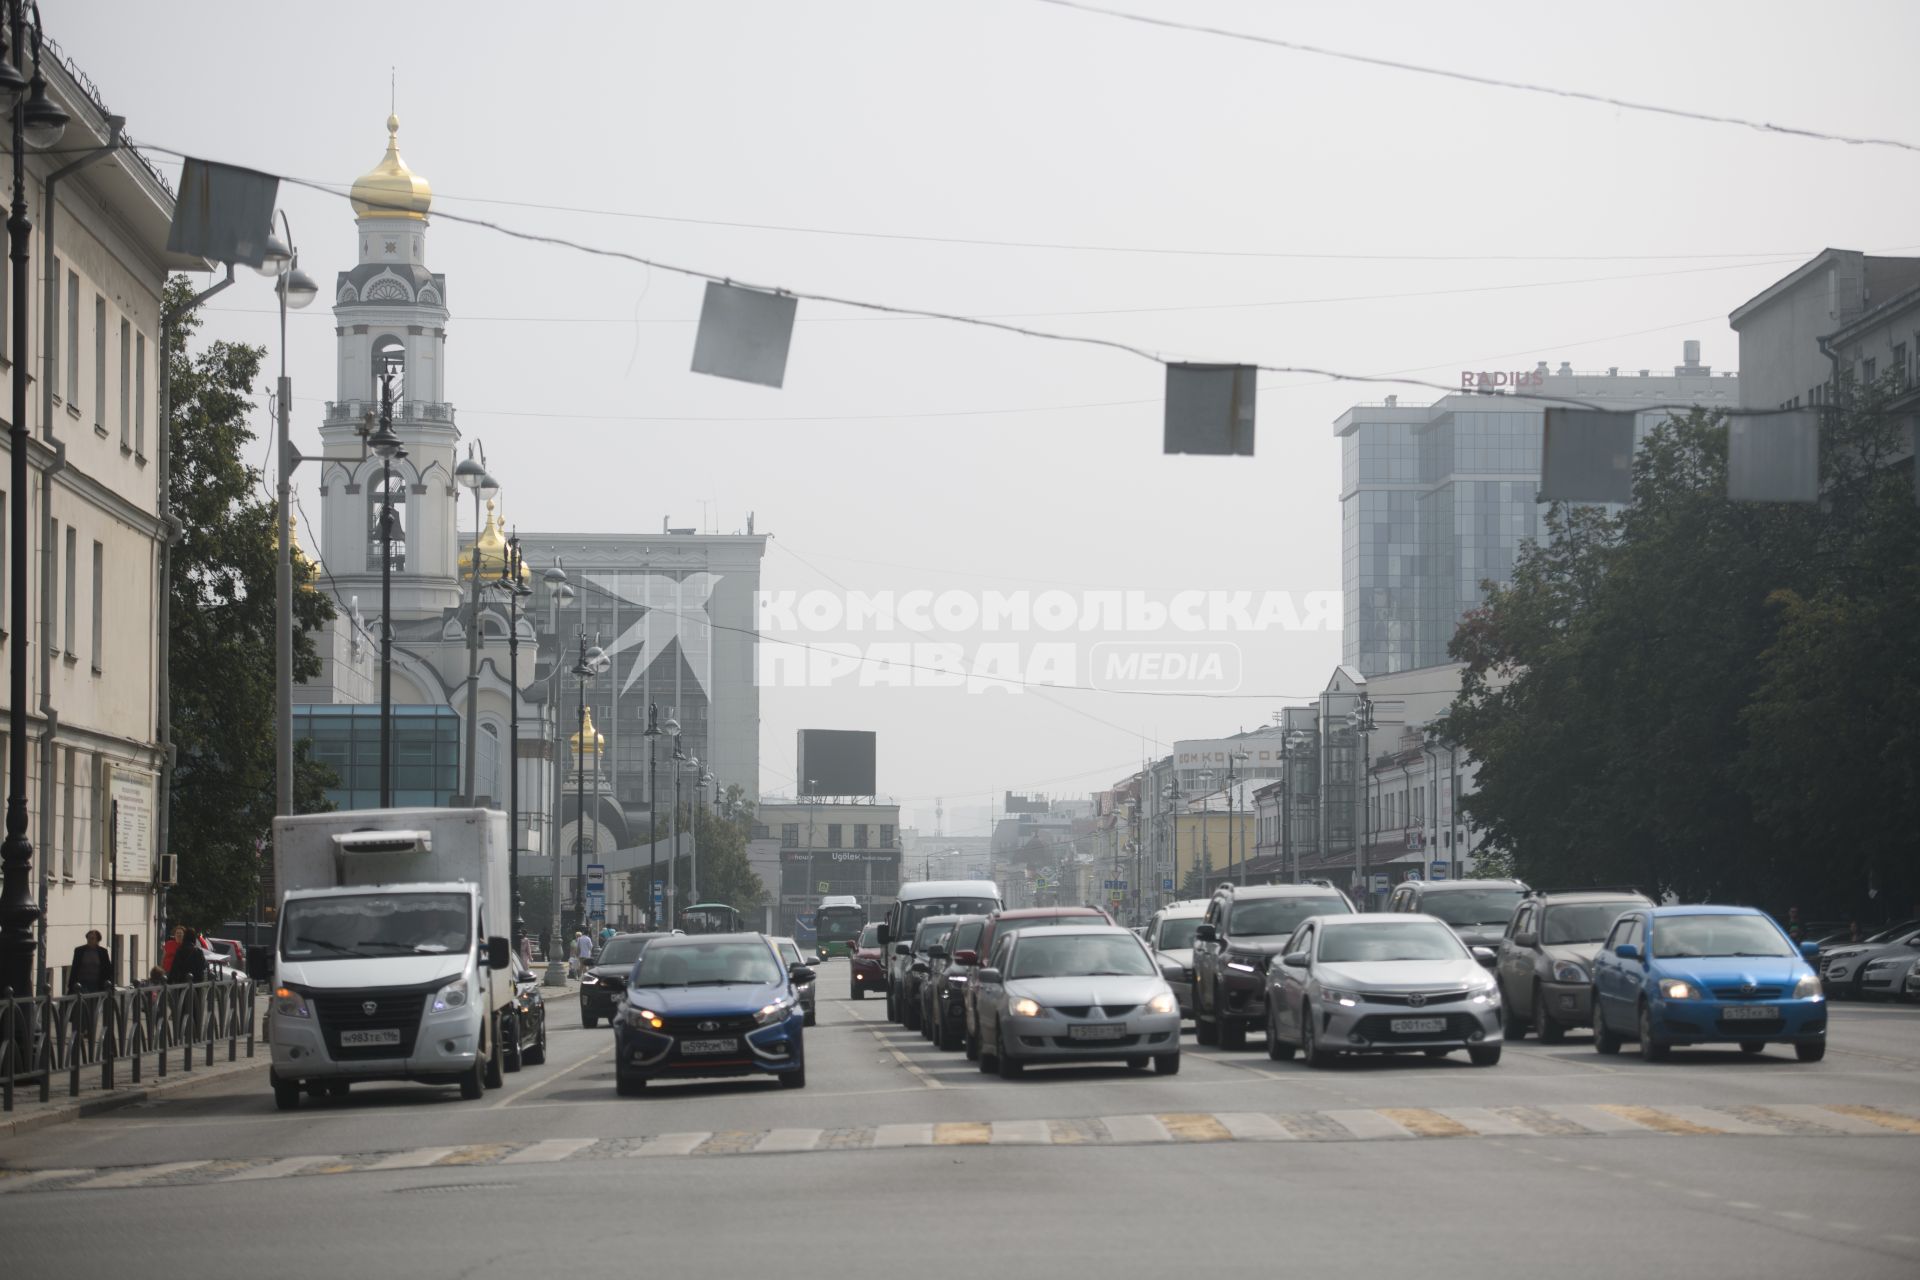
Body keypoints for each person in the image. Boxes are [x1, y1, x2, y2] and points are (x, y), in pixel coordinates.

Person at [69, 929, 113, 994]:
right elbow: (74, 968)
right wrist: (71, 985)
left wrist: (109, 985)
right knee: (83, 1001)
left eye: (92, 938)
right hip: (81, 984)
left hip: (97, 984)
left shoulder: (102, 952)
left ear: (97, 940)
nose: (89, 940)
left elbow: (107, 969)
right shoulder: (79, 951)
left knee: (94, 1002)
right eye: (88, 938)